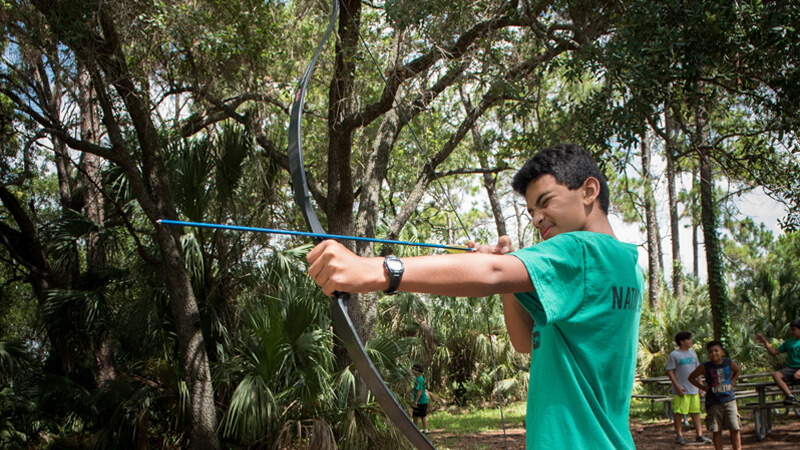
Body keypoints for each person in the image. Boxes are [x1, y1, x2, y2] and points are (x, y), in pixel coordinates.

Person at [307, 143, 644, 449]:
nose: (538, 218)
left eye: (546, 202)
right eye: (530, 211)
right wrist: (510, 277)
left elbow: (491, 274)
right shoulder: (624, 264)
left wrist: (375, 272)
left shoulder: (581, 250)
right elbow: (525, 341)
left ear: (589, 191)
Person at [687, 341, 741, 450]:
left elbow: (737, 371)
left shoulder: (729, 363)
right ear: (708, 354)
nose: (714, 354)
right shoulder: (705, 367)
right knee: (716, 430)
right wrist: (702, 388)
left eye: (716, 351)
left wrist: (731, 382)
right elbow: (691, 377)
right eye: (711, 352)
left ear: (722, 352)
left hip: (729, 400)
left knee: (735, 428)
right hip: (713, 403)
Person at [666, 331, 712, 445]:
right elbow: (670, 372)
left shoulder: (693, 354)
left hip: (693, 389)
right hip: (681, 390)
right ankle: (679, 435)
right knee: (678, 413)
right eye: (688, 339)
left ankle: (699, 434)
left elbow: (698, 370)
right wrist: (677, 387)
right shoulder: (674, 355)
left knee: (696, 412)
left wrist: (700, 385)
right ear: (682, 341)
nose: (690, 341)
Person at [755, 319, 800, 405]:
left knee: (797, 375)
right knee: (776, 375)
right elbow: (774, 352)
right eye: (791, 329)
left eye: (794, 329)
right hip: (791, 368)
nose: (791, 332)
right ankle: (790, 396)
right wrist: (765, 342)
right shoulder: (789, 342)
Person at [409, 363, 430, 433]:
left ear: (416, 370)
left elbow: (419, 391)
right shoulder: (417, 379)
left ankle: (426, 430)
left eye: (413, 369)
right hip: (418, 401)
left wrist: (416, 401)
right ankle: (415, 430)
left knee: (422, 416)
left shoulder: (420, 379)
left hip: (421, 401)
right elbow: (416, 389)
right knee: (415, 416)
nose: (412, 371)